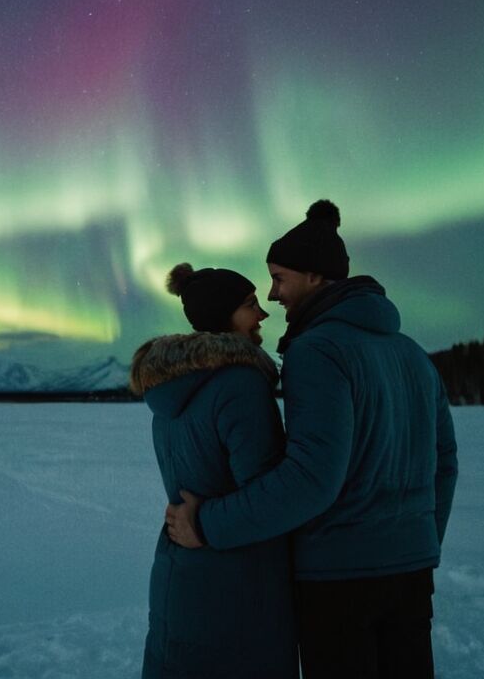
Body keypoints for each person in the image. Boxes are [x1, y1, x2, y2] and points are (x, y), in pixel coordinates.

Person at [165, 201, 459, 678]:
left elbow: (311, 478)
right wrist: (419, 541)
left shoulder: (316, 350)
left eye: (280, 278)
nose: (274, 295)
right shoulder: (412, 354)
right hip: (412, 573)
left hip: (339, 582)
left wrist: (208, 524)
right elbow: (443, 463)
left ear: (315, 277)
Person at [131, 263, 299, 679]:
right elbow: (265, 499)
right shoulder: (239, 384)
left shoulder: (171, 391)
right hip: (237, 591)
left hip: (179, 575)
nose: (262, 314)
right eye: (249, 305)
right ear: (221, 315)